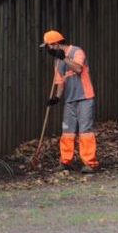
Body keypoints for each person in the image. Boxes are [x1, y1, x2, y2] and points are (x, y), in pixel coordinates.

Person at [40, 30, 100, 173]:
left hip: (85, 97)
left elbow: (78, 69)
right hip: (69, 100)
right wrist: (56, 98)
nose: (48, 50)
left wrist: (64, 57)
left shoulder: (77, 51)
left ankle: (90, 163)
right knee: (67, 131)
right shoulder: (57, 61)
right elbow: (60, 81)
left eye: (48, 46)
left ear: (55, 44)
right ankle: (66, 161)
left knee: (85, 131)